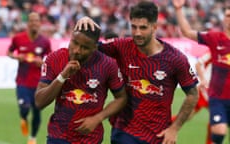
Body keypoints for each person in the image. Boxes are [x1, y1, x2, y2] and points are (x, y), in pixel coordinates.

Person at [75, 1, 199, 144]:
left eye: (143, 28)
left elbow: (192, 94)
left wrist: (175, 128)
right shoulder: (121, 47)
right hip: (125, 132)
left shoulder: (175, 58)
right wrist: (84, 24)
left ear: (155, 27)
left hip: (158, 136)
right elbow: (86, 48)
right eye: (133, 27)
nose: (137, 33)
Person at [34, 24, 127, 144]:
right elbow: (39, 102)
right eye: (74, 43)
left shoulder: (108, 64)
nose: (77, 50)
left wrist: (97, 118)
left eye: (84, 47)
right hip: (58, 135)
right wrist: (62, 76)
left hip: (90, 138)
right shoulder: (55, 58)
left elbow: (121, 98)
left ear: (95, 47)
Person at [173, 0, 230, 143]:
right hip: (217, 97)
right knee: (218, 130)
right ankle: (166, 126)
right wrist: (179, 10)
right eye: (227, 15)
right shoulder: (215, 38)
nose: (229, 18)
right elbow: (187, 32)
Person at [7, 12, 52, 144]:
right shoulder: (18, 39)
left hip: (39, 83)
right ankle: (23, 117)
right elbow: (9, 52)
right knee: (24, 107)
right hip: (22, 81)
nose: (34, 23)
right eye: (31, 21)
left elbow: (50, 59)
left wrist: (42, 62)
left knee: (37, 111)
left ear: (39, 23)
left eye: (36, 21)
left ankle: (32, 137)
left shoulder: (45, 41)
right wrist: (16, 56)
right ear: (28, 23)